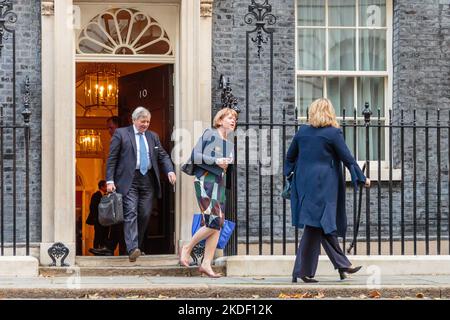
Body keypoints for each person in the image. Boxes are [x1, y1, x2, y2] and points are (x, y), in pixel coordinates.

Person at [284, 98, 371, 283]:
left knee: (319, 224)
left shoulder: (302, 132)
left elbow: (289, 157)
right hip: (325, 184)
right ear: (329, 112)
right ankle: (302, 270)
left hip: (305, 183)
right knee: (320, 223)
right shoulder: (333, 133)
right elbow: (347, 158)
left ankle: (339, 265)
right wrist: (362, 178)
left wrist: (291, 176)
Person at [106, 107, 176, 262]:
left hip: (148, 180)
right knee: (130, 212)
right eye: (143, 121)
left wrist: (170, 170)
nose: (146, 124)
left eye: (148, 121)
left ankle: (134, 244)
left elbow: (163, 156)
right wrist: (109, 180)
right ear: (134, 120)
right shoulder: (121, 134)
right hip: (128, 180)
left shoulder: (153, 137)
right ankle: (132, 248)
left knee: (144, 214)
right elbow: (112, 158)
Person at [179, 107, 238, 278]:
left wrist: (227, 163)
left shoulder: (228, 143)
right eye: (229, 117)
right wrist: (217, 160)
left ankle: (206, 263)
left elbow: (225, 168)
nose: (233, 120)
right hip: (205, 181)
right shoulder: (210, 134)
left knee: (216, 223)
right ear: (219, 120)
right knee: (215, 221)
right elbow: (196, 156)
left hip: (219, 183)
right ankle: (187, 247)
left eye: (234, 118)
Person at [104, 115, 127, 256]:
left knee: (121, 218)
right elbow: (111, 161)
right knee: (116, 217)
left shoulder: (123, 139)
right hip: (117, 184)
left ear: (118, 127)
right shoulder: (116, 139)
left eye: (111, 127)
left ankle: (112, 247)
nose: (109, 131)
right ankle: (111, 247)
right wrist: (110, 181)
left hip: (125, 183)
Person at [86, 180, 112, 256]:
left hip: (106, 220)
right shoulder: (95, 195)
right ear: (102, 187)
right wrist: (96, 219)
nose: (107, 187)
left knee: (105, 235)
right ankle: (96, 250)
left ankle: (104, 250)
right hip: (98, 220)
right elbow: (92, 207)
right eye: (106, 186)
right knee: (98, 235)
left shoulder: (108, 195)